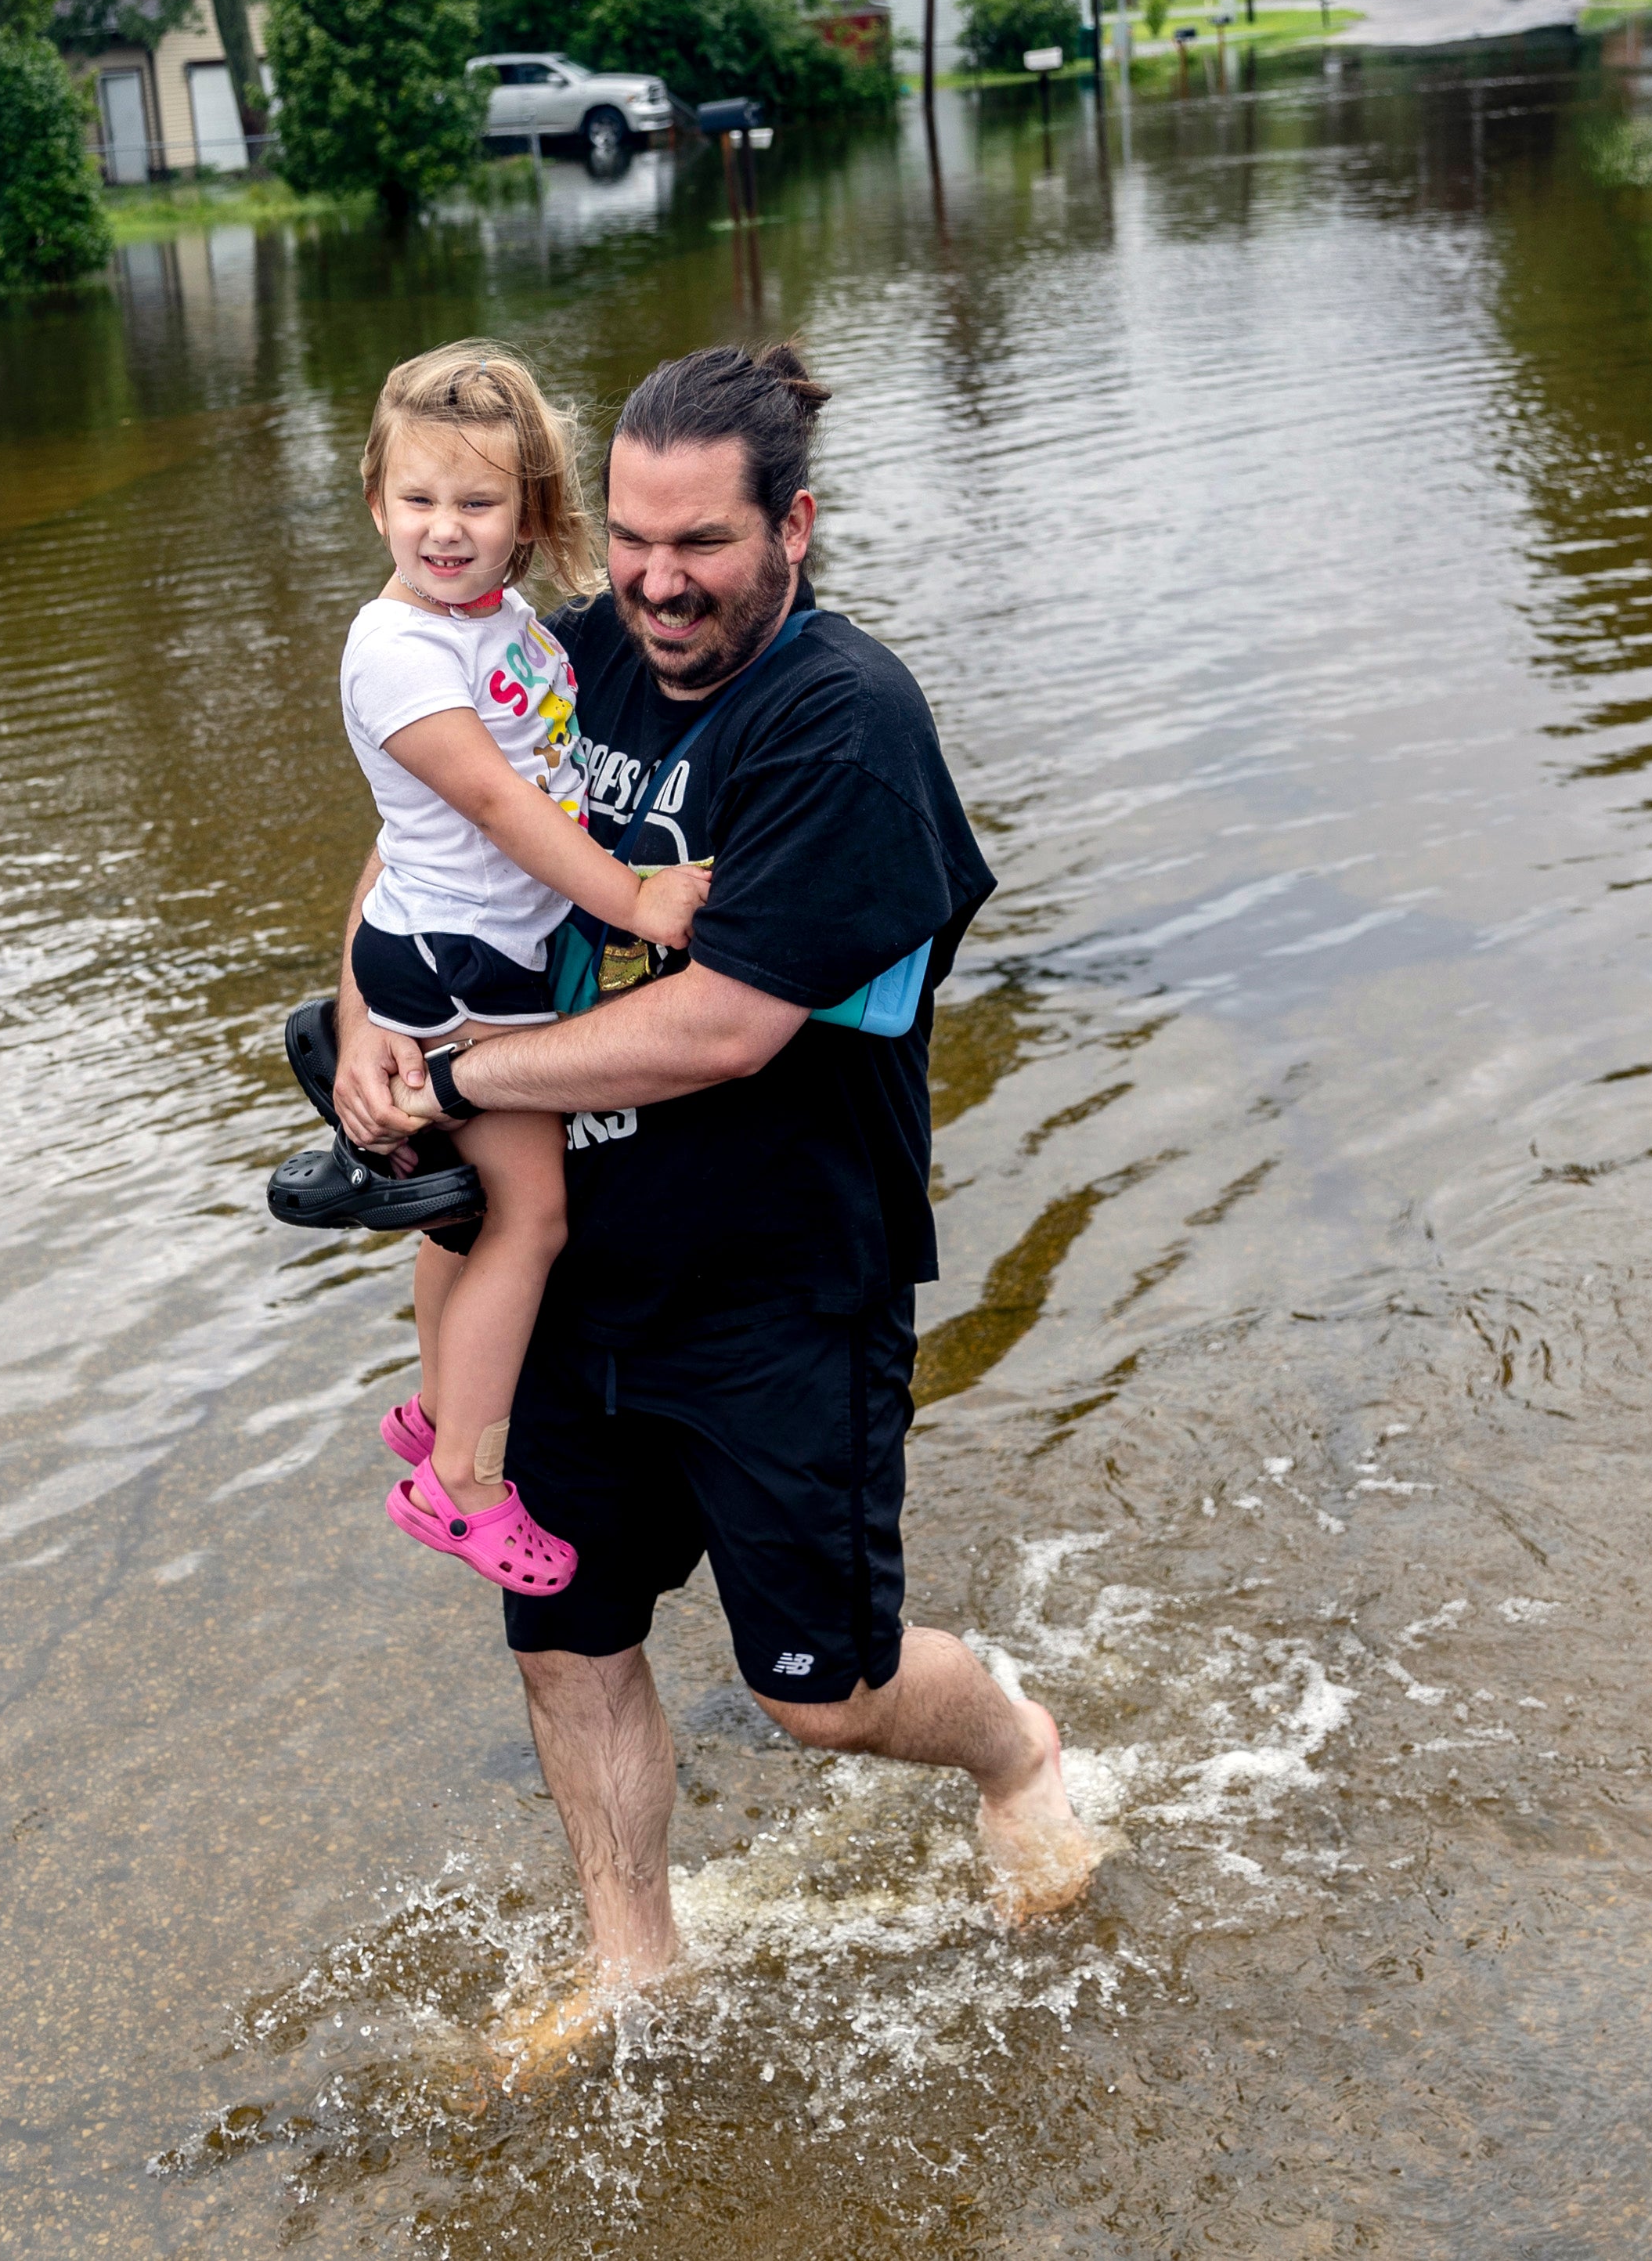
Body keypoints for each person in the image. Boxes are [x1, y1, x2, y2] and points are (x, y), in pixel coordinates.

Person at [330, 342, 1099, 2061]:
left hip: (775, 1284)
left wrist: (452, 1086)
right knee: (571, 1638)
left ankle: (1012, 1748)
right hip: (570, 1277)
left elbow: (725, 1024)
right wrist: (372, 1010)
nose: (657, 586)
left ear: (795, 528)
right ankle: (634, 1969)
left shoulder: (846, 727)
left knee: (818, 1696)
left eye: (702, 547)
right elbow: (433, 814)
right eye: (626, 542)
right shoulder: (568, 648)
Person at [334, 344, 712, 1598]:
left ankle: (439, 1399)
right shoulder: (397, 649)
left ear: (529, 517)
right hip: (459, 962)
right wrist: (638, 899)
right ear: (377, 500)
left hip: (458, 945)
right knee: (529, 1218)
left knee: (467, 1211)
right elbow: (496, 805)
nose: (445, 529)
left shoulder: (497, 623)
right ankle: (465, 1481)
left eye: (478, 504)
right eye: (419, 500)